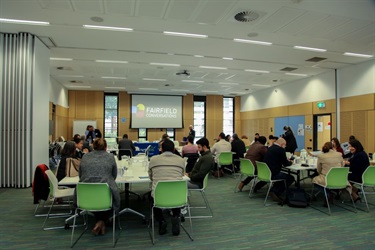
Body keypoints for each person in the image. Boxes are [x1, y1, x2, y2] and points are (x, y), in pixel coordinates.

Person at [78, 138, 120, 236]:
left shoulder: (85, 157)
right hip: (104, 192)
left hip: (85, 193)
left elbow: (80, 174)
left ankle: (100, 222)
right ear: (106, 147)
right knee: (109, 197)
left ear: (93, 146)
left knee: (99, 197)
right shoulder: (110, 157)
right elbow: (114, 175)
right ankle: (102, 222)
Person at [148, 139, 185, 236]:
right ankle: (176, 216)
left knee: (152, 197)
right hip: (178, 196)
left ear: (161, 149)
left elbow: (151, 177)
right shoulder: (181, 160)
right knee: (175, 194)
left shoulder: (153, 159)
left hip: (159, 196)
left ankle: (161, 221)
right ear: (173, 150)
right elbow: (182, 174)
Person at [312, 142, 344, 206]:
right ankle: (331, 192)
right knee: (325, 180)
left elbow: (319, 169)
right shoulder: (339, 154)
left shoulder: (321, 156)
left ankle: (327, 193)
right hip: (339, 179)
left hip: (326, 178)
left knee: (314, 181)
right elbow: (342, 166)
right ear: (332, 147)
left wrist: (321, 173)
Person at [263, 138, 294, 202]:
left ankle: (273, 190)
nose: (285, 147)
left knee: (283, 176)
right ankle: (275, 192)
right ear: (282, 144)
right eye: (285, 145)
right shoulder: (280, 150)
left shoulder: (270, 148)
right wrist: (291, 162)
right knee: (290, 178)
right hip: (273, 173)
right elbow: (285, 164)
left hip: (266, 172)